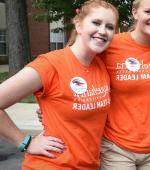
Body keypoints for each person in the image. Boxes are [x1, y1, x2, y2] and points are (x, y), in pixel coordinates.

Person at [0, 0, 118, 169]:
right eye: (96, 23)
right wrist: (26, 142)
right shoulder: (49, 64)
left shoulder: (101, 65)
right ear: (78, 25)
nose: (102, 31)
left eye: (109, 27)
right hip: (51, 165)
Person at [99, 0, 150, 169]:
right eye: (149, 12)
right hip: (117, 147)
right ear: (135, 12)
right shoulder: (111, 45)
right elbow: (80, 70)